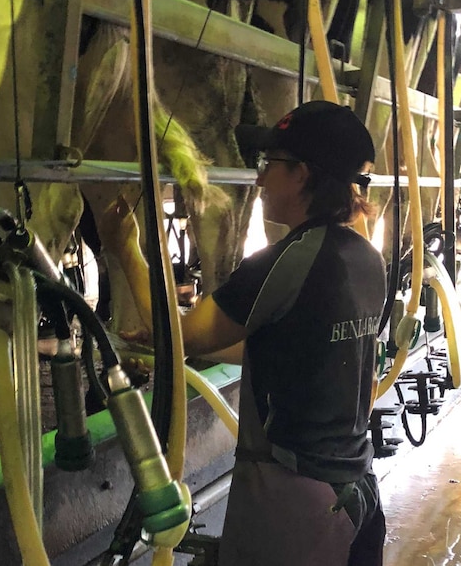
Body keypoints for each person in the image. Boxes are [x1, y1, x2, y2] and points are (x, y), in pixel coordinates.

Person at [100, 100, 386, 565]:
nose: (258, 179)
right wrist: (166, 343)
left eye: (268, 165)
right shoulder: (367, 259)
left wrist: (127, 248)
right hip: (356, 492)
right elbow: (295, 346)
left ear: (302, 175)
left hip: (293, 501)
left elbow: (181, 335)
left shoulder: (283, 261)